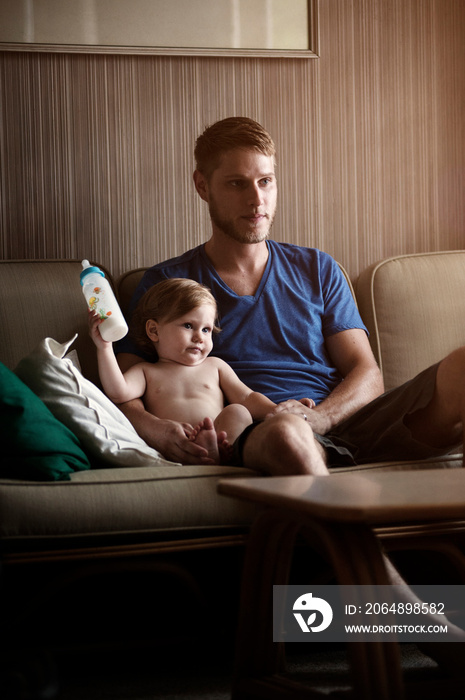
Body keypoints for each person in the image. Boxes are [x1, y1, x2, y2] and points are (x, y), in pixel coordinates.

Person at [114, 116, 465, 669]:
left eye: (266, 181)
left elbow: (367, 374)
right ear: (202, 186)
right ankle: (422, 625)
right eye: (236, 183)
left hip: (342, 422)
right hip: (261, 430)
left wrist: (322, 419)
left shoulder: (317, 268)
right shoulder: (167, 286)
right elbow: (125, 387)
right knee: (283, 429)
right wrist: (158, 428)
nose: (256, 199)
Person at [89, 277, 278, 464]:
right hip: (177, 443)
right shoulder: (146, 371)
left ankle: (220, 450)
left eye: (206, 330)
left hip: (219, 432)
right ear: (154, 331)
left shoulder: (215, 366)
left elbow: (246, 397)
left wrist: (278, 410)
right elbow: (117, 393)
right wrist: (105, 348)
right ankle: (207, 451)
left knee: (238, 411)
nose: (199, 337)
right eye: (188, 326)